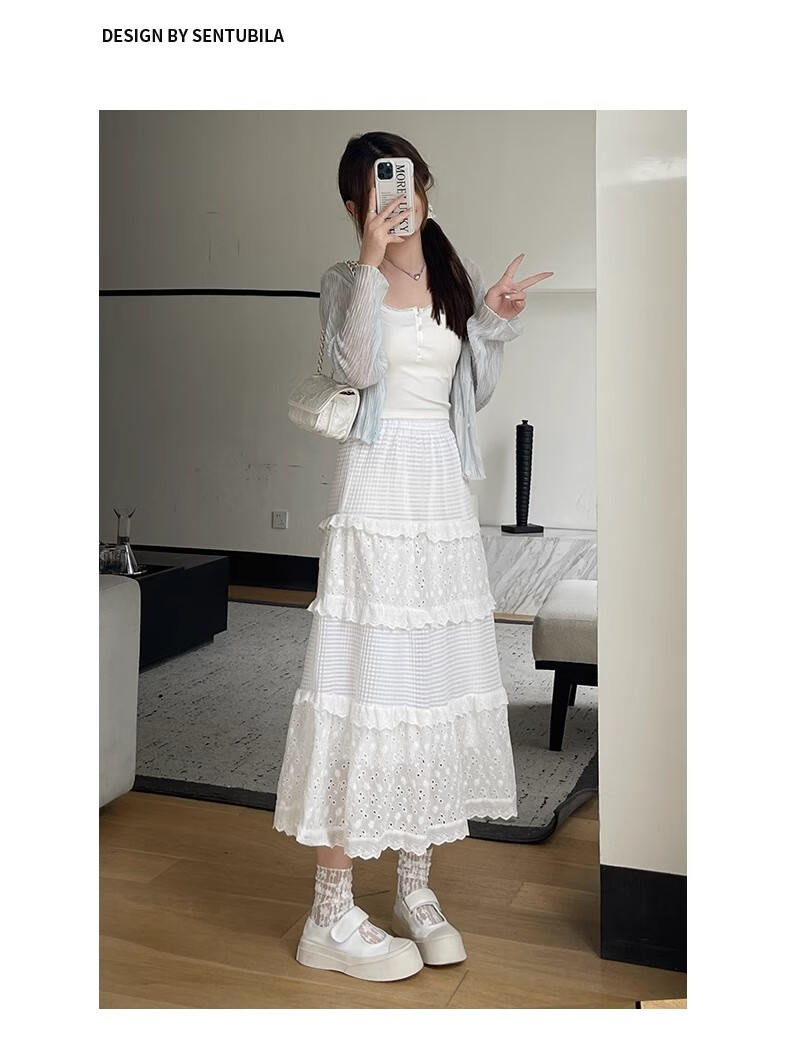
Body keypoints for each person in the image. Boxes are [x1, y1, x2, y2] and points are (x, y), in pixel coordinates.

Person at [273, 131, 553, 982]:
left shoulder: (454, 275)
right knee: (360, 684)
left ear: (425, 189)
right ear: (356, 204)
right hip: (374, 486)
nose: (400, 201)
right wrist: (368, 261)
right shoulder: (344, 280)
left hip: (439, 491)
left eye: (408, 184)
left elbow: (472, 391)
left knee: (428, 685)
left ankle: (415, 891)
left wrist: (492, 319)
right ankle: (329, 911)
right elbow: (354, 369)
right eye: (380, 189)